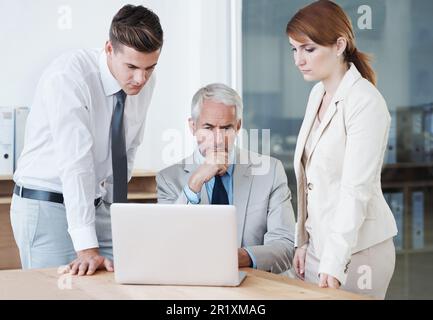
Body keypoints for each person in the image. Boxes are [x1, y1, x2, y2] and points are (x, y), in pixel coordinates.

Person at [11, 5, 163, 276]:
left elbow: (127, 150)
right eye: (131, 66)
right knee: (57, 294)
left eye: (150, 67)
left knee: (122, 283)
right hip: (46, 205)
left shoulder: (144, 83)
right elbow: (76, 163)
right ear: (108, 49)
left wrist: (118, 217)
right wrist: (86, 249)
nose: (141, 79)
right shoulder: (69, 76)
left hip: (97, 204)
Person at [286, 0, 397, 299]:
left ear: (339, 45)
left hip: (359, 252)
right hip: (319, 250)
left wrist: (333, 263)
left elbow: (355, 190)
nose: (299, 59)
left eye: (308, 49)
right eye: (294, 50)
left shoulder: (365, 102)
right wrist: (303, 242)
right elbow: (312, 183)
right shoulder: (317, 93)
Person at [156, 83, 295, 274]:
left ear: (238, 126)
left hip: (254, 285)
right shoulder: (168, 179)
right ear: (193, 126)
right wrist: (194, 183)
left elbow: (285, 247)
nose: (219, 139)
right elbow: (167, 243)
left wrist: (238, 257)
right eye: (208, 127)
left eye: (227, 128)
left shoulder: (270, 172)